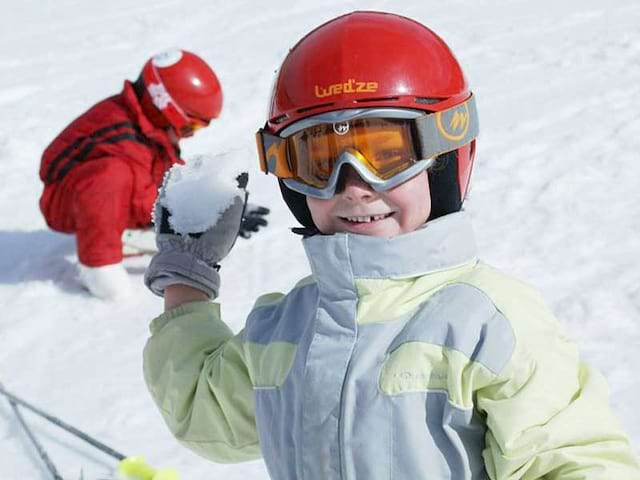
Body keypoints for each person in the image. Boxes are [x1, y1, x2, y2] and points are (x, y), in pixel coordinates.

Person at [141, 12, 640, 480]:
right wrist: (186, 278)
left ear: (443, 157)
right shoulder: (283, 330)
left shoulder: (487, 323)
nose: (353, 185)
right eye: (319, 159)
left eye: (386, 154)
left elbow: (576, 460)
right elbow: (203, 415)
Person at [38, 49, 269, 299]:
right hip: (67, 201)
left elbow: (162, 174)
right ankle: (99, 267)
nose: (189, 135)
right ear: (165, 107)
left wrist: (210, 206)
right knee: (111, 176)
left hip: (109, 192)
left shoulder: (146, 124)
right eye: (190, 126)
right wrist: (103, 266)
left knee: (130, 177)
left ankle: (123, 235)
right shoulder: (121, 142)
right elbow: (124, 192)